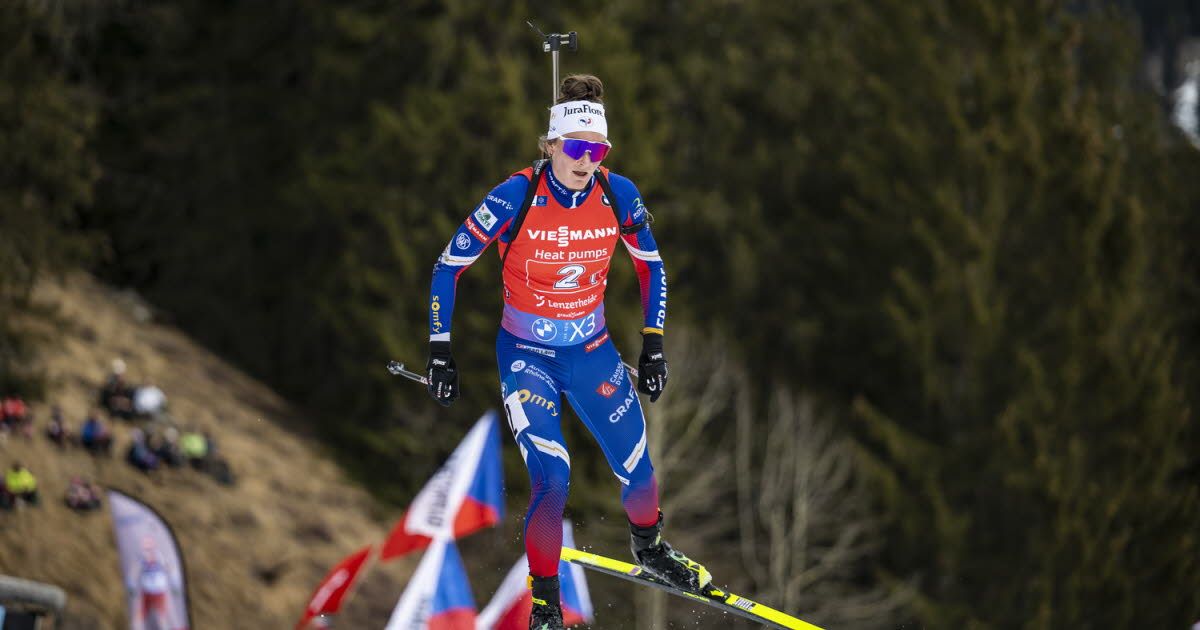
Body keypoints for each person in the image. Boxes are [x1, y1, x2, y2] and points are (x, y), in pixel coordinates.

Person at [425, 75, 708, 629]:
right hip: (527, 354)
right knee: (554, 480)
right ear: (550, 144)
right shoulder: (516, 196)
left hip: (593, 351)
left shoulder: (617, 194)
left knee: (641, 472)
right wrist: (440, 348)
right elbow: (448, 267)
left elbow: (651, 266)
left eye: (597, 150)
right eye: (576, 147)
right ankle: (546, 608)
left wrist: (653, 345)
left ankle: (649, 550)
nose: (587, 160)